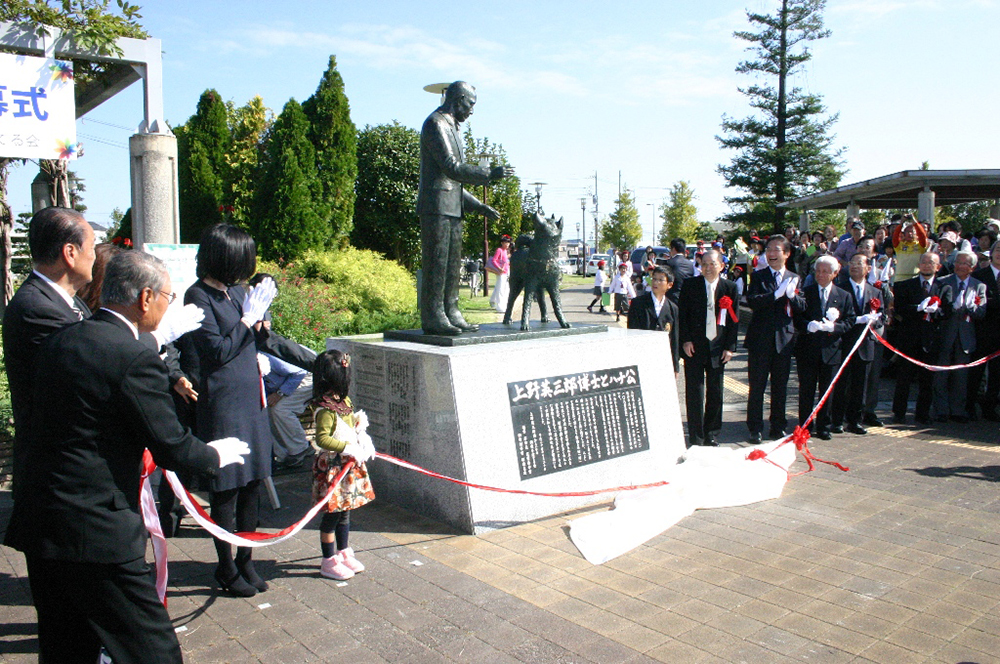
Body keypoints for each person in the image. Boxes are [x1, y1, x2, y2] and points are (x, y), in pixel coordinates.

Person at [9, 250, 250, 664]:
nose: (168, 306)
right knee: (153, 650)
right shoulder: (133, 357)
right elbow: (171, 444)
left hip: (42, 522)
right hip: (96, 530)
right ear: (145, 298)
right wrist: (213, 455)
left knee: (66, 646)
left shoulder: (64, 338)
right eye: (168, 298)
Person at [183, 223, 278, 597]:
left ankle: (246, 560)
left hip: (249, 398)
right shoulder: (198, 296)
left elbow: (253, 338)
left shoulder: (237, 291)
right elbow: (217, 352)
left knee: (253, 480)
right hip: (221, 403)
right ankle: (224, 566)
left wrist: (262, 323)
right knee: (227, 488)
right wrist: (245, 321)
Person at [2, 207, 94, 517]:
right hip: (55, 477)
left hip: (74, 474)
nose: (94, 256)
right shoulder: (36, 306)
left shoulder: (69, 299)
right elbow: (92, 359)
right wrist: (152, 336)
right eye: (91, 248)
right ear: (70, 252)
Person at [417, 80, 514, 335]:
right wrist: (488, 174)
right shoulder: (435, 123)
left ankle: (451, 310)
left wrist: (480, 206)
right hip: (436, 206)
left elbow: (455, 183)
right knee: (437, 264)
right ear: (458, 98)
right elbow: (451, 167)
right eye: (470, 104)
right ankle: (433, 315)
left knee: (451, 265)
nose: (472, 110)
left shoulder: (454, 128)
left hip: (453, 206)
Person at [311, 349, 376, 580]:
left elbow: (351, 423)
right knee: (331, 515)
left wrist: (361, 433)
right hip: (333, 468)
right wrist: (348, 447)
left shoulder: (343, 400)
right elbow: (322, 439)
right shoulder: (325, 408)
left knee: (345, 512)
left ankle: (343, 551)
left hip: (348, 465)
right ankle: (328, 560)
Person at [744, 236, 806, 443]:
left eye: (776, 250)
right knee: (757, 386)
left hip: (784, 339)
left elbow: (802, 307)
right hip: (760, 338)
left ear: (786, 254)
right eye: (768, 249)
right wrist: (775, 295)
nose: (771, 253)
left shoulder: (794, 277)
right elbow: (752, 301)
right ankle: (755, 428)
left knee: (780, 386)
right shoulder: (759, 276)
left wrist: (792, 296)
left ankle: (778, 426)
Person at [678, 250, 739, 447]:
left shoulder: (729, 287)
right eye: (704, 264)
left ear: (721, 265)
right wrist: (685, 340)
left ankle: (712, 433)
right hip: (694, 347)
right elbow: (683, 316)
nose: (708, 267)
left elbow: (734, 320)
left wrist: (730, 347)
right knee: (694, 392)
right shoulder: (690, 285)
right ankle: (696, 436)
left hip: (718, 348)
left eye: (712, 263)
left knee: (716, 392)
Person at [794, 256, 855, 440]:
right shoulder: (806, 292)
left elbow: (850, 320)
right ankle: (805, 424)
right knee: (806, 390)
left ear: (835, 273)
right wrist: (807, 325)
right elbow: (797, 318)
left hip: (831, 350)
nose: (821, 274)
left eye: (825, 271)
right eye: (818, 271)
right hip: (808, 349)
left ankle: (824, 426)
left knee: (827, 390)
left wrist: (835, 328)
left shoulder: (844, 295)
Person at [891, 252, 953, 424]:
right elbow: (899, 309)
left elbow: (948, 311)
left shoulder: (944, 287)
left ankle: (923, 414)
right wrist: (918, 308)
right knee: (903, 378)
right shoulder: (905, 285)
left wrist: (936, 311)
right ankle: (899, 413)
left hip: (930, 340)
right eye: (924, 262)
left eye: (931, 262)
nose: (927, 265)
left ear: (938, 267)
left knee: (927, 381)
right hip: (909, 338)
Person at [830, 253, 886, 435]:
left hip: (865, 344)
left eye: (859, 263)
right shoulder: (839, 288)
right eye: (852, 263)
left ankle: (855, 420)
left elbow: (882, 317)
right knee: (840, 383)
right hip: (844, 342)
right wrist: (856, 320)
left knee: (860, 385)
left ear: (868, 268)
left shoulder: (875, 292)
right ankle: (837, 420)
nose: (854, 266)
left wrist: (873, 320)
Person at [932, 251, 986, 422]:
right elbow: (936, 310)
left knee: (961, 377)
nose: (959, 266)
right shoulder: (942, 282)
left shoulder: (979, 286)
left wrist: (970, 307)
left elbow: (982, 313)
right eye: (957, 262)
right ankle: (941, 410)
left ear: (972, 267)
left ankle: (958, 410)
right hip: (945, 334)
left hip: (966, 337)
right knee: (941, 374)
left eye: (964, 263)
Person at [968, 240, 1000, 421]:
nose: (999, 253)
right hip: (981, 331)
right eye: (997, 249)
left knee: (997, 374)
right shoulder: (980, 276)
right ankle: (970, 406)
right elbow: (978, 304)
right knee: (976, 371)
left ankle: (990, 407)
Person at [627, 266, 680, 374]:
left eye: (661, 280)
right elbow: (631, 333)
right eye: (654, 279)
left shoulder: (672, 308)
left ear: (669, 285)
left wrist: (675, 367)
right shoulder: (638, 303)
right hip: (642, 357)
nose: (656, 282)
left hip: (663, 359)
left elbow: (674, 338)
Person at [892, 214, 929, 282]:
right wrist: (901, 223)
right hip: (899, 278)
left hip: (914, 277)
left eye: (912, 232)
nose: (910, 234)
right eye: (908, 232)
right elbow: (895, 236)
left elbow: (922, 235)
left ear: (916, 234)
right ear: (904, 234)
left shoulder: (920, 245)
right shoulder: (899, 246)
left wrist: (914, 222)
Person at [663, 238, 693, 304]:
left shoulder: (669, 262)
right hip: (687, 298)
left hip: (672, 298)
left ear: (673, 248)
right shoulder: (690, 264)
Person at [489, 235, 512, 313]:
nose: (507, 244)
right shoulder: (499, 250)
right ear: (502, 243)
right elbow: (494, 260)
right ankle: (500, 306)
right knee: (500, 289)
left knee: (505, 288)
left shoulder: (506, 251)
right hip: (501, 272)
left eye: (508, 242)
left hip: (506, 272)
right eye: (506, 242)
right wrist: (499, 268)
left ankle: (497, 302)